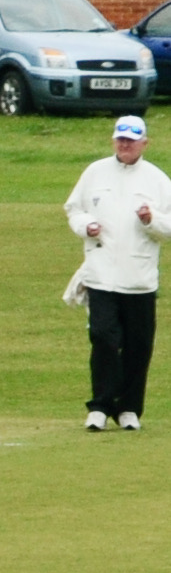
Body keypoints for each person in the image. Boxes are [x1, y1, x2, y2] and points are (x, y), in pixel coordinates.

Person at [65, 115, 171, 432]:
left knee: (138, 345)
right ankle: (99, 406)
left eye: (131, 140)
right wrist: (87, 226)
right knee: (103, 338)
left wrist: (151, 219)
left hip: (138, 279)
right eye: (120, 139)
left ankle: (128, 409)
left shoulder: (158, 181)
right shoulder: (95, 172)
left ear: (144, 143)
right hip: (101, 274)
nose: (125, 145)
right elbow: (74, 209)